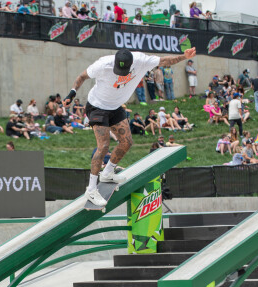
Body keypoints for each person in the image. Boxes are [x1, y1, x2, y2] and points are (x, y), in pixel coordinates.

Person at [64, 47, 196, 206]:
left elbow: (164, 61)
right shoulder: (103, 64)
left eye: (123, 70)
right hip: (97, 106)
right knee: (104, 145)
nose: (120, 73)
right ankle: (91, 189)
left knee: (126, 142)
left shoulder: (141, 60)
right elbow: (82, 76)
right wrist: (72, 93)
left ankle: (107, 173)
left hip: (115, 107)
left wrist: (184, 56)